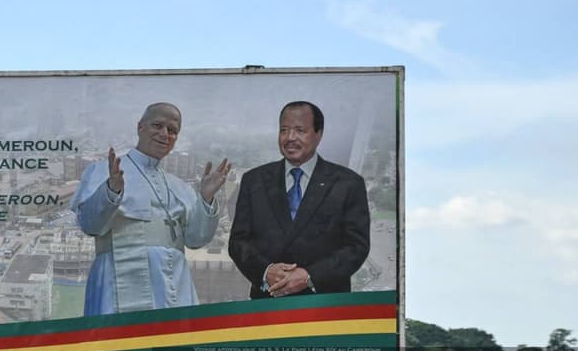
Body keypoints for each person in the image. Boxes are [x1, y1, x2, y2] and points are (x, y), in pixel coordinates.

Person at [72, 102, 231, 314]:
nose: (165, 134)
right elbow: (90, 225)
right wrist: (111, 190)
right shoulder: (103, 171)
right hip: (117, 280)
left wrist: (206, 198)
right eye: (157, 125)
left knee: (174, 345)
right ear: (140, 127)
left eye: (172, 130)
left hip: (175, 282)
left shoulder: (179, 186)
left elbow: (195, 239)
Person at [228, 100, 371, 298]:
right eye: (284, 130)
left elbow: (356, 247)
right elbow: (238, 242)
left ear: (319, 134)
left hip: (326, 306)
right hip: (267, 305)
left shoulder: (348, 183)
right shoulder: (254, 180)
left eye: (300, 130)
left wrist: (309, 276)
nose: (290, 138)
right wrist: (265, 271)